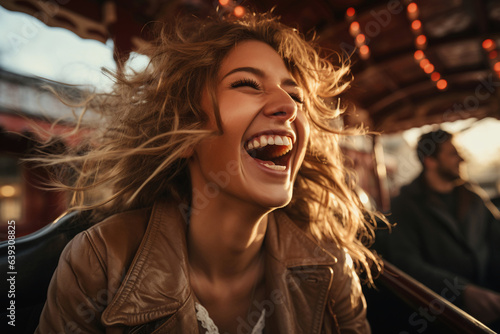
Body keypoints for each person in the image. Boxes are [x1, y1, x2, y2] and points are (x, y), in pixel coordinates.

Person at [35, 11, 382, 333]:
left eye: (296, 96)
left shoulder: (331, 265)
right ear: (185, 133)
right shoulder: (99, 262)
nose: (289, 106)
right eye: (247, 84)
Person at [378, 129, 500, 329]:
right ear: (430, 161)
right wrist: (462, 291)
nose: (462, 159)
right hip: (442, 314)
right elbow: (406, 263)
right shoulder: (406, 205)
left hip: (490, 298)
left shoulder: (474, 198)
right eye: (452, 153)